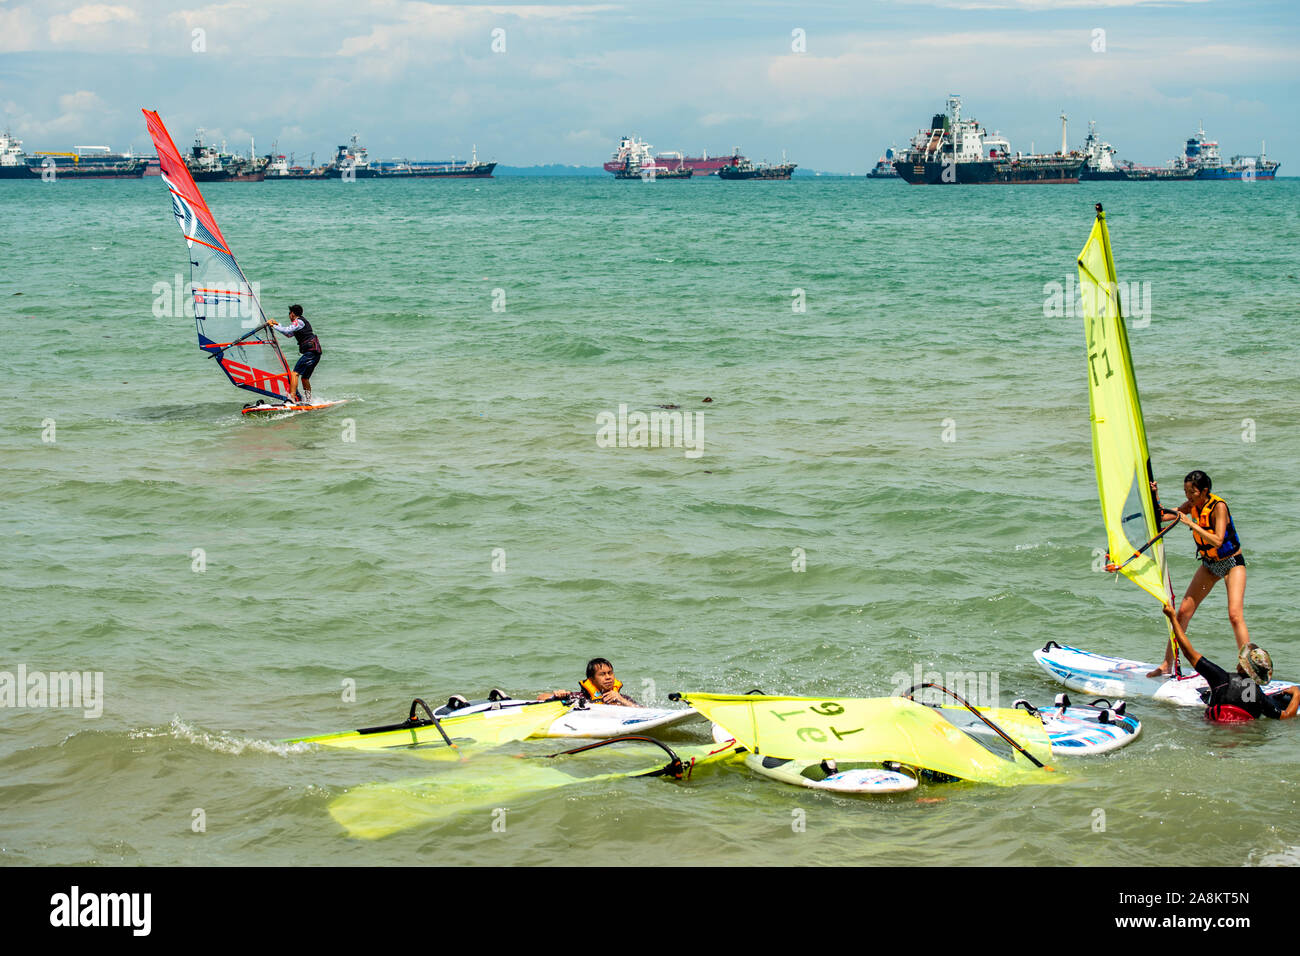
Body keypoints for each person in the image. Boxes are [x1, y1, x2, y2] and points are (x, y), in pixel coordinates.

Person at [1148, 470, 1249, 676]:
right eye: (1185, 491)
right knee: (1183, 612)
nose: (1188, 496)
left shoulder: (1218, 507)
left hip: (1231, 563)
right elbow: (1162, 516)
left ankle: (1249, 668)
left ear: (1204, 491)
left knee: (1235, 615)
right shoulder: (1193, 505)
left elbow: (1218, 540)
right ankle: (1167, 663)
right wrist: (1155, 495)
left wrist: (1192, 524)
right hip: (1210, 565)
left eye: (1192, 492)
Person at [1161, 604, 1296, 720]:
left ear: (1243, 666)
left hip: (1213, 726)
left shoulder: (1221, 679)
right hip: (1243, 735)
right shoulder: (1259, 697)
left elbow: (1188, 652)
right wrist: (1297, 694)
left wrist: (1173, 618)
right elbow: (1286, 716)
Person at [267, 305, 322, 404]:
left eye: (289, 313)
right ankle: (309, 400)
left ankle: (291, 398)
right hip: (315, 353)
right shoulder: (300, 323)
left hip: (311, 352)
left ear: (292, 313)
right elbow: (289, 334)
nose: (289, 316)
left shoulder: (299, 321)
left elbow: (287, 330)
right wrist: (277, 324)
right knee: (305, 378)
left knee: (294, 373)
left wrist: (273, 325)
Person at [538, 658, 638, 706]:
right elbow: (541, 697)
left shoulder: (622, 698)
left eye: (610, 673)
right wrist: (558, 695)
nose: (608, 677)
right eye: (602, 674)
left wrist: (622, 700)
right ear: (591, 679)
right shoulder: (582, 697)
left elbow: (645, 712)